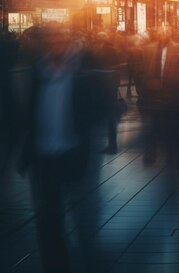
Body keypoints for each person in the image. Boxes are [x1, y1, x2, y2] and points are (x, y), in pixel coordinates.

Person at [17, 23, 108, 273]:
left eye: (59, 38)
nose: (55, 43)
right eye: (51, 39)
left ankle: (88, 257)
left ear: (67, 40)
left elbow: (98, 106)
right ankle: (56, 265)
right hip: (43, 155)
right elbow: (31, 111)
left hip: (72, 151)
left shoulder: (82, 68)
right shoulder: (40, 68)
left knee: (82, 215)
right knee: (47, 218)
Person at [135, 24, 179, 166]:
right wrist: (146, 85)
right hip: (153, 95)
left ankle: (172, 155)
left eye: (166, 31)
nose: (163, 34)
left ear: (171, 33)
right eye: (161, 31)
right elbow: (141, 71)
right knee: (151, 125)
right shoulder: (148, 49)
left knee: (172, 127)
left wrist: (178, 88)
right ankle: (150, 153)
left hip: (172, 95)